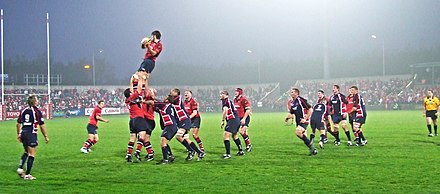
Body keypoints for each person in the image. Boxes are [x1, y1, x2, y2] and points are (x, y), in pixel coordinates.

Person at [16, 95, 49, 180]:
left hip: (23, 133)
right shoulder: (37, 111)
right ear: (34, 102)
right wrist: (45, 136)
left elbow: (18, 123)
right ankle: (27, 175)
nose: (38, 101)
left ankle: (20, 168)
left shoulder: (23, 110)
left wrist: (18, 134)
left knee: (26, 151)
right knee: (32, 154)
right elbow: (41, 125)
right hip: (31, 134)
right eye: (37, 100)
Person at [169, 88, 205, 161]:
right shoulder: (184, 102)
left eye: (187, 93)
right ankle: (197, 151)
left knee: (192, 135)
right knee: (185, 137)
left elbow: (195, 113)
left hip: (194, 119)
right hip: (185, 120)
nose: (186, 94)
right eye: (185, 93)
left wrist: (187, 118)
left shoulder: (192, 101)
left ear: (191, 94)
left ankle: (196, 150)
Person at [285, 88, 317, 156]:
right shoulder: (293, 103)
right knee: (304, 136)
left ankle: (312, 147)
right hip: (298, 121)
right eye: (291, 92)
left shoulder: (301, 100)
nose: (291, 93)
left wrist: (306, 118)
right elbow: (292, 113)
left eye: (292, 92)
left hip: (303, 120)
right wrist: (287, 118)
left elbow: (310, 109)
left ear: (296, 93)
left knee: (298, 132)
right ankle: (312, 150)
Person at [220, 90, 245, 159]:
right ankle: (241, 151)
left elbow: (225, 111)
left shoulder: (226, 101)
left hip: (232, 120)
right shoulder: (228, 101)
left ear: (225, 95)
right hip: (236, 120)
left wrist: (222, 121)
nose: (220, 95)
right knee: (234, 136)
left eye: (221, 94)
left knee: (226, 136)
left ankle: (228, 154)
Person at [233, 88, 253, 152]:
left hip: (245, 118)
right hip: (238, 119)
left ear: (240, 92)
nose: (235, 93)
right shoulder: (235, 100)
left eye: (237, 91)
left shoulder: (244, 100)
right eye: (235, 91)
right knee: (242, 133)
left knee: (241, 132)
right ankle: (247, 145)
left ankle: (249, 145)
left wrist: (244, 119)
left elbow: (247, 110)